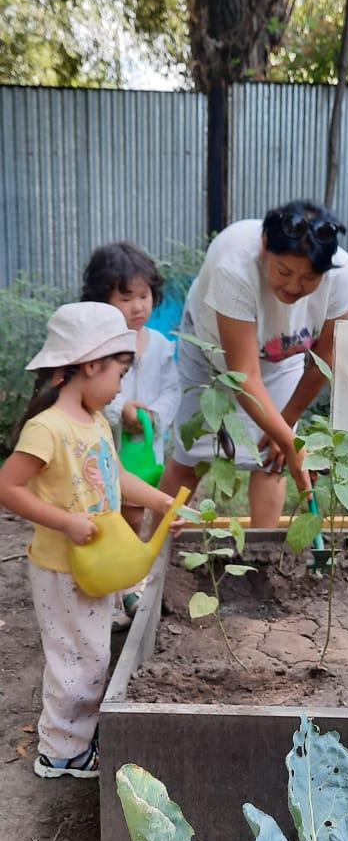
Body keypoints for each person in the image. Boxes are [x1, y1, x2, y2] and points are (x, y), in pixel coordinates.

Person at [0, 302, 182, 780]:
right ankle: (61, 751)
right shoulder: (48, 429)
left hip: (93, 565)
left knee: (93, 652)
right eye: (119, 372)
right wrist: (64, 521)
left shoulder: (96, 423)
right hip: (62, 568)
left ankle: (76, 736)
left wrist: (162, 503)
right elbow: (8, 487)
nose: (122, 385)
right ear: (88, 366)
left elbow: (116, 476)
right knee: (75, 658)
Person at [161, 200, 348, 526]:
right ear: (265, 248)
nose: (295, 286)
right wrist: (291, 440)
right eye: (284, 271)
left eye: (309, 278)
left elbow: (325, 357)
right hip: (212, 350)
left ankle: (261, 559)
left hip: (282, 355)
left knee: (273, 460)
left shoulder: (341, 274)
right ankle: (154, 559)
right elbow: (244, 375)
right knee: (189, 455)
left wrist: (287, 426)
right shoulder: (235, 266)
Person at [82, 242, 180, 618]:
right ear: (101, 299)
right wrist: (120, 409)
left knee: (136, 516)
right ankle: (112, 587)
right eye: (127, 297)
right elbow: (88, 396)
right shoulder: (97, 349)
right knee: (105, 515)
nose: (139, 306)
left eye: (145, 295)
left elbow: (172, 389)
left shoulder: (158, 345)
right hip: (104, 449)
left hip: (144, 451)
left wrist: (153, 416)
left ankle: (127, 587)